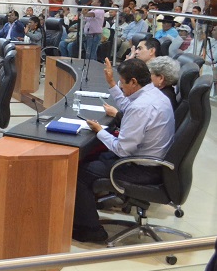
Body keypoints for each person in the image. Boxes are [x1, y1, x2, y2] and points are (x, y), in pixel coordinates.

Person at [73, 58, 175, 242]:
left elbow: (122, 150)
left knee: (81, 172)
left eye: (122, 83)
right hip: (153, 162)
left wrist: (100, 131)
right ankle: (85, 213)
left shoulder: (142, 107)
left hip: (143, 169)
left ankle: (91, 230)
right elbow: (130, 108)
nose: (121, 86)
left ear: (133, 82)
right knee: (94, 157)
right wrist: (111, 83)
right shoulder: (155, 95)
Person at [104, 56, 180, 121]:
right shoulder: (162, 92)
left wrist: (116, 114)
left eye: (150, 74)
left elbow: (134, 121)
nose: (147, 76)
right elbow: (129, 106)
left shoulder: (161, 98)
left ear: (160, 78)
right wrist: (111, 82)